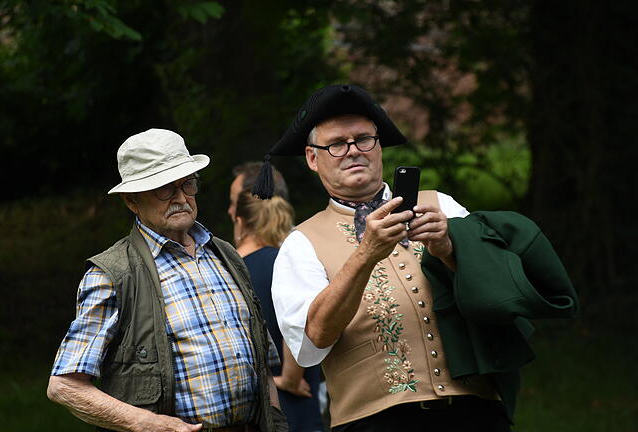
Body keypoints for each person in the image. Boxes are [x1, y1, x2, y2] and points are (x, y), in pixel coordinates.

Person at [250, 84, 579, 431]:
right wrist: (365, 255)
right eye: (336, 144)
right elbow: (311, 342)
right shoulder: (301, 243)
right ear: (313, 158)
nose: (353, 152)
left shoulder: (441, 205)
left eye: (364, 139)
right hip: (375, 423)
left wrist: (450, 249)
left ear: (379, 146)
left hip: (475, 412)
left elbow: (499, 297)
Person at [47, 128, 289, 432]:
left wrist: (276, 424)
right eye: (164, 189)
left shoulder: (226, 255)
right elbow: (64, 386)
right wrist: (148, 424)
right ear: (131, 201)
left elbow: (262, 363)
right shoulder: (113, 274)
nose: (181, 198)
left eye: (187, 184)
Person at [229, 162, 325, 432]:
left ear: (240, 218)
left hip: (254, 407)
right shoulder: (292, 260)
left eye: (232, 203)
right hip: (294, 401)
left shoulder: (229, 272)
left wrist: (287, 378)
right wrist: (288, 380)